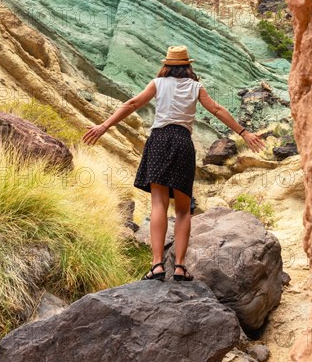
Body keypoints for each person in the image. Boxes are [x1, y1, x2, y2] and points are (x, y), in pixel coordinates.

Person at [82, 45, 266, 282]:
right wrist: (243, 132)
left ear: (166, 65)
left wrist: (103, 126)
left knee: (158, 203)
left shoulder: (158, 84)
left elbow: (132, 104)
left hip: (159, 140)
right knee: (182, 209)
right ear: (188, 66)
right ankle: (179, 267)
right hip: (182, 142)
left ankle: (157, 265)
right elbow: (217, 109)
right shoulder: (196, 86)